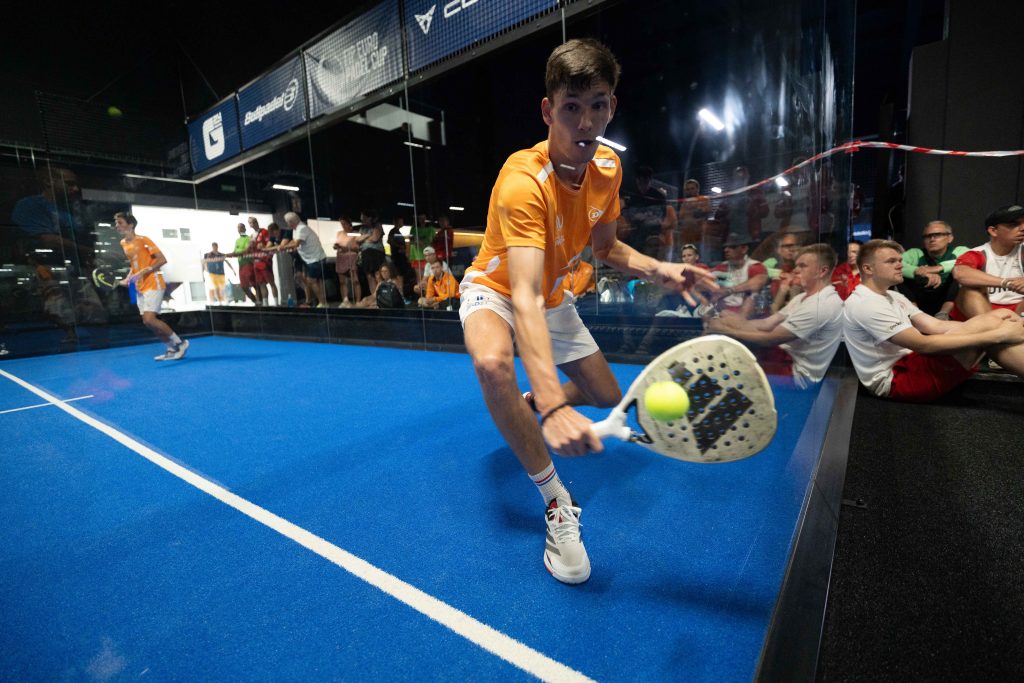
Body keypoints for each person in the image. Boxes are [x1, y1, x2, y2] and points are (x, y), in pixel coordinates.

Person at [459, 39, 714, 585]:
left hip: (551, 294)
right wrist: (554, 407)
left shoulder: (607, 166)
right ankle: (556, 501)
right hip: (498, 289)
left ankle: (526, 405)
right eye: (571, 107)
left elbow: (607, 248)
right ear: (548, 111)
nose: (585, 121)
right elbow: (522, 295)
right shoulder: (523, 181)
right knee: (492, 365)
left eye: (597, 105)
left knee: (604, 393)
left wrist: (659, 270)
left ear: (612, 107)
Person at [842, 239, 1024, 402]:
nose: (900, 265)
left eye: (899, 260)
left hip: (912, 361)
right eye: (891, 261)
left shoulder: (893, 296)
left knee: (1001, 316)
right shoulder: (865, 303)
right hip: (897, 379)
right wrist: (998, 334)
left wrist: (994, 327)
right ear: (868, 269)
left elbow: (936, 325)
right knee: (994, 329)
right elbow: (923, 344)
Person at [707, 244, 843, 388]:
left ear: (822, 271)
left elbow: (769, 338)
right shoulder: (803, 297)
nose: (796, 270)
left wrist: (727, 330)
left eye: (802, 266)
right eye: (797, 265)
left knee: (728, 362)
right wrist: (732, 321)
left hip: (795, 374)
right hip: (783, 356)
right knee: (727, 321)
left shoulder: (822, 304)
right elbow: (767, 323)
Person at [114, 212, 189, 360]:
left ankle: (180, 344)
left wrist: (143, 272)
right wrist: (128, 278)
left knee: (149, 319)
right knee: (148, 323)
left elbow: (162, 260)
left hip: (153, 282)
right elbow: (134, 265)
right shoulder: (123, 243)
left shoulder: (144, 240)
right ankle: (171, 349)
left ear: (131, 225)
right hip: (140, 285)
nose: (117, 226)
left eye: (120, 222)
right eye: (116, 223)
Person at [950, 205, 1024, 321]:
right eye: (1013, 224)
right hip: (982, 311)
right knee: (969, 290)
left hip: (1018, 310)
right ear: (993, 231)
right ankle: (994, 328)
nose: (1023, 228)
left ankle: (1006, 328)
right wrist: (1006, 283)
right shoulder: (979, 253)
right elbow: (960, 273)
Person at [898, 220, 968, 316]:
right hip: (920, 298)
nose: (932, 239)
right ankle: (914, 314)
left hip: (949, 300)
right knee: (898, 276)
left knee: (962, 273)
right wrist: (917, 271)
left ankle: (943, 313)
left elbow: (968, 261)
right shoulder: (915, 253)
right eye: (927, 236)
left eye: (938, 235)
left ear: (950, 238)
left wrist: (939, 267)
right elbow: (895, 265)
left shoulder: (959, 250)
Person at [707, 232, 768, 317]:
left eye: (732, 247)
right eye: (725, 247)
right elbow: (704, 282)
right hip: (724, 309)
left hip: (748, 312)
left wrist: (729, 290)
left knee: (752, 295)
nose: (726, 250)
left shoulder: (754, 266)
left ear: (744, 249)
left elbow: (757, 283)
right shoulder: (722, 267)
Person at [620, 165, 675, 259]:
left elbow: (661, 217)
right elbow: (626, 215)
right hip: (635, 236)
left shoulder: (658, 196)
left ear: (649, 180)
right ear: (637, 180)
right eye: (640, 181)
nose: (642, 184)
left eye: (645, 181)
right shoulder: (632, 196)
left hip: (654, 236)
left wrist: (641, 217)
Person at [279, 211, 328, 307]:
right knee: (314, 281)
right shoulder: (296, 229)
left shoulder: (302, 228)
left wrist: (283, 247)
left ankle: (323, 303)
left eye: (287, 222)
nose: (287, 224)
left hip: (316, 259)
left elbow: (296, 244)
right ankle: (318, 301)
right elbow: (293, 241)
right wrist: (282, 246)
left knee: (312, 281)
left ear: (291, 222)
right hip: (310, 259)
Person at [674, 179, 712, 257]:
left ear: (697, 189)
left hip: (699, 236)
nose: (690, 191)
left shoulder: (704, 199)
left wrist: (694, 208)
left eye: (692, 188)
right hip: (685, 237)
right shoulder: (684, 202)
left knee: (700, 258)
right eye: (688, 189)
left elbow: (705, 213)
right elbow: (680, 218)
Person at [355, 210, 386, 298]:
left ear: (369, 217)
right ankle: (374, 296)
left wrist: (363, 238)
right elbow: (357, 240)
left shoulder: (377, 225)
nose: (362, 220)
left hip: (376, 253)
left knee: (378, 275)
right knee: (369, 275)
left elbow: (375, 238)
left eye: (364, 218)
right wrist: (368, 235)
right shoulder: (362, 228)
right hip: (365, 253)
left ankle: (382, 297)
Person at [250, 217, 279, 306]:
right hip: (256, 262)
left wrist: (264, 248)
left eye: (253, 222)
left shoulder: (264, 232)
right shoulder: (252, 236)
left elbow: (269, 245)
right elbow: (251, 249)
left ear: (256, 222)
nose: (251, 224)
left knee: (271, 282)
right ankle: (266, 304)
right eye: (250, 223)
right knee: (261, 283)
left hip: (264, 261)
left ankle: (277, 303)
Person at [333, 216, 361, 307]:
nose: (343, 225)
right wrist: (336, 246)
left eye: (344, 223)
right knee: (342, 281)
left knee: (355, 280)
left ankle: (358, 301)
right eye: (341, 224)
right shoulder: (339, 233)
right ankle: (345, 300)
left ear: (349, 224)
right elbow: (337, 244)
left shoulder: (355, 233)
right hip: (341, 257)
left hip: (351, 257)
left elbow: (358, 248)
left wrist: (346, 248)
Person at [231, 222, 259, 305]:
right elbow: (235, 252)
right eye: (238, 227)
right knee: (243, 286)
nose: (239, 229)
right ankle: (255, 301)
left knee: (254, 284)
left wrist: (237, 253)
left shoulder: (248, 238)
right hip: (241, 265)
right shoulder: (237, 240)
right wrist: (228, 254)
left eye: (241, 227)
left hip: (248, 264)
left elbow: (246, 250)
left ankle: (260, 301)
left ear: (245, 228)